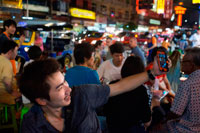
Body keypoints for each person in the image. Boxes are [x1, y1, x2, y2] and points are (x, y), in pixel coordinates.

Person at [19, 56, 163, 132]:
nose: (68, 89)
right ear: (42, 100)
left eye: (65, 82)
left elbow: (120, 86)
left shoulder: (82, 94)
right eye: (59, 88)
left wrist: (151, 73)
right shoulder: (32, 123)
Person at [104, 56, 151, 133]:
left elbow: (106, 111)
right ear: (141, 72)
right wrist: (152, 106)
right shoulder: (141, 90)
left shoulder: (113, 85)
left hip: (112, 128)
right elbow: (147, 122)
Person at [164, 48, 200, 132]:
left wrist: (165, 118)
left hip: (184, 129)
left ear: (191, 65)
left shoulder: (187, 84)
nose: (181, 64)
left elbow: (175, 112)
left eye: (183, 61)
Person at [0, 40, 21, 104]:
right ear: (10, 52)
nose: (17, 53)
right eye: (16, 51)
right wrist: (13, 92)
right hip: (3, 94)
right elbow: (7, 82)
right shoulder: (7, 63)